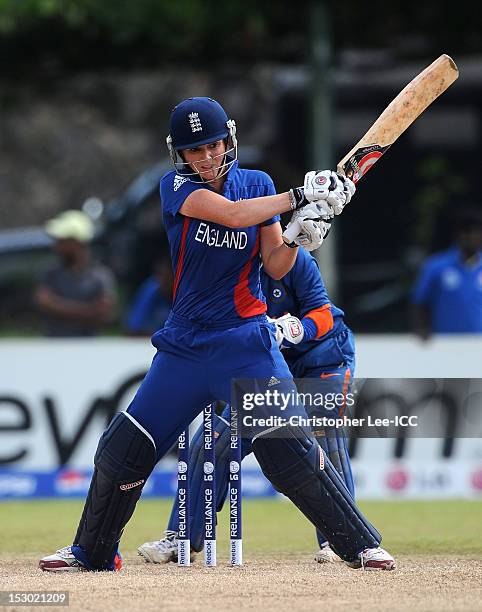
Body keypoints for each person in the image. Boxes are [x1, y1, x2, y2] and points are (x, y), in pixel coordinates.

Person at [39, 96, 394, 573]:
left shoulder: (258, 184)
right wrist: (299, 197)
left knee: (289, 449)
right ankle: (91, 552)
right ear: (179, 155)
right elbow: (230, 215)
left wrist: (297, 235)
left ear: (229, 140)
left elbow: (274, 264)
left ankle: (360, 545)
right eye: (194, 151)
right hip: (184, 348)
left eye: (213, 146)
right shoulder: (176, 187)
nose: (205, 158)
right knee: (124, 447)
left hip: (246, 345)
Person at [138, 247, 356, 565]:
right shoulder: (224, 268)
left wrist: (295, 330)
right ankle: (182, 537)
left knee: (324, 439)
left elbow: (322, 314)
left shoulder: (297, 261)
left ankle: (342, 541)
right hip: (267, 365)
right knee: (212, 443)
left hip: (322, 358)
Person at [35, 209, 117, 337]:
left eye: (62, 241)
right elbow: (45, 302)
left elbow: (104, 312)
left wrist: (59, 307)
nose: (57, 246)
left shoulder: (100, 276)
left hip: (89, 351)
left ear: (76, 243)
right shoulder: (51, 274)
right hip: (52, 350)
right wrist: (89, 310)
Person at [412, 206, 482, 339]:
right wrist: (422, 328)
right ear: (458, 234)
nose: (471, 237)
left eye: (476, 232)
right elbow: (420, 301)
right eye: (467, 231)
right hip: (446, 345)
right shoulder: (436, 266)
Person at [125, 255, 173, 335]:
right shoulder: (152, 287)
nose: (162, 280)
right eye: (159, 275)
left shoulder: (184, 293)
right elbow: (133, 327)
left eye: (167, 276)